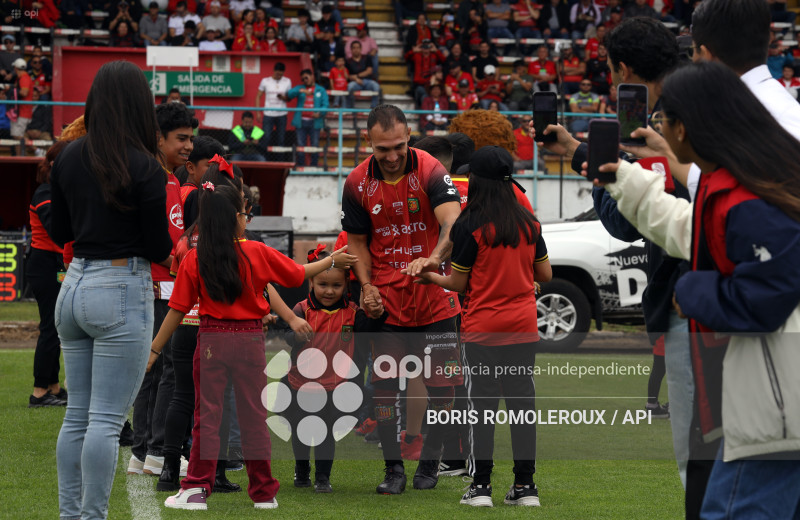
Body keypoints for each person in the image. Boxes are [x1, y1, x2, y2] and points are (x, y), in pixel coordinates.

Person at [588, 59, 800, 520]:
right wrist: (623, 177)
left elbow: (765, 297)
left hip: (775, 415)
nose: (659, 130)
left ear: (684, 127)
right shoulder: (744, 180)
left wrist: (693, 289)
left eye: (664, 119)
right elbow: (688, 228)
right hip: (767, 408)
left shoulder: (749, 195)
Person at [153, 183, 357, 510]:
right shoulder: (257, 251)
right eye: (244, 212)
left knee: (207, 417)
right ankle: (264, 493)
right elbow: (297, 275)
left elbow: (177, 309)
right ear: (236, 217)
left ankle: (196, 489)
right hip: (250, 339)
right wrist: (332, 259)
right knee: (253, 416)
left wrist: (153, 350)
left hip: (212, 340)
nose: (247, 217)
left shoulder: (195, 256)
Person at [50, 60, 173, 520]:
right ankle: (91, 516)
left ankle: (71, 514)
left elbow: (60, 230)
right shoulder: (146, 166)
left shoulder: (68, 156)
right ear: (140, 104)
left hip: (74, 283)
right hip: (120, 285)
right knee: (105, 420)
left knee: (77, 417)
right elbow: (158, 247)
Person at [403, 145, 551, 507]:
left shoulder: (470, 225)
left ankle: (481, 486)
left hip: (482, 330)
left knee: (481, 408)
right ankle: (525, 487)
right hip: (523, 329)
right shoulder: (529, 224)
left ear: (478, 181)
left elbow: (457, 283)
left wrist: (430, 277)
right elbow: (545, 274)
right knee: (522, 407)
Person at [341, 104, 463, 494]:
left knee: (443, 388)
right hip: (388, 305)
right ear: (368, 141)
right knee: (384, 388)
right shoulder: (356, 182)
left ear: (409, 135)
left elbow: (452, 222)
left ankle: (430, 461)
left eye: (398, 146)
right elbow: (357, 243)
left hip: (435, 299)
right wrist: (366, 287)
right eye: (383, 149)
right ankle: (393, 470)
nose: (392, 156)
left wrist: (435, 258)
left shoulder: (431, 170)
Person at [282, 247, 387, 493]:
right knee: (301, 429)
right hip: (301, 384)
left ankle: (322, 478)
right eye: (323, 284)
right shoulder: (301, 309)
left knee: (326, 431)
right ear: (311, 282)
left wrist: (378, 313)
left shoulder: (352, 313)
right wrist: (296, 336)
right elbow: (287, 335)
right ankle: (301, 469)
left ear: (346, 285)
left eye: (336, 285)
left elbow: (370, 329)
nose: (329, 291)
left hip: (335, 385)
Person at [128, 102, 196, 478]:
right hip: (157, 285)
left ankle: (141, 452)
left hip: (166, 283)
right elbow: (151, 238)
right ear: (158, 137)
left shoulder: (169, 178)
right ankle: (156, 449)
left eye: (191, 139)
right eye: (181, 138)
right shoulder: (152, 176)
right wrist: (178, 264)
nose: (188, 146)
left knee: (153, 370)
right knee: (168, 368)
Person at [27, 141, 68, 408]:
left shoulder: (55, 191)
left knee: (57, 327)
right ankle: (40, 391)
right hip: (45, 265)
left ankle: (53, 386)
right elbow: (57, 231)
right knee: (50, 327)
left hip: (55, 265)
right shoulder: (45, 192)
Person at [281, 69, 329, 167]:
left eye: (306, 77)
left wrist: (319, 113)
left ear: (312, 76)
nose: (305, 80)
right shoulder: (300, 88)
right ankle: (301, 165)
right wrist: (300, 91)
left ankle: (314, 166)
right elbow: (289, 94)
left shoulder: (320, 90)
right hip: (301, 121)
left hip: (315, 122)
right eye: (303, 79)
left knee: (314, 144)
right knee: (300, 145)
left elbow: (326, 105)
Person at [181, 135, 225, 227]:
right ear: (191, 167)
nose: (217, 171)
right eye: (211, 166)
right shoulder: (195, 195)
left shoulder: (181, 191)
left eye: (219, 167)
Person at [256, 62, 291, 157]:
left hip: (282, 114)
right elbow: (258, 96)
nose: (279, 76)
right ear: (274, 71)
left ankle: (280, 161)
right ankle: (264, 159)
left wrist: (283, 97)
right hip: (268, 114)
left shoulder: (287, 81)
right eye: (277, 74)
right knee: (266, 138)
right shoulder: (265, 81)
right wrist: (258, 112)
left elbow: (289, 98)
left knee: (281, 139)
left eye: (281, 74)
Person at [345, 41, 381, 109]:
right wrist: (356, 79)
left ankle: (374, 108)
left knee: (376, 86)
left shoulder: (367, 58)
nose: (356, 50)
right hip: (355, 82)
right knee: (350, 87)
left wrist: (357, 76)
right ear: (351, 49)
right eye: (354, 48)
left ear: (361, 49)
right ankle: (350, 109)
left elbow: (369, 71)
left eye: (358, 48)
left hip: (367, 81)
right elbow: (347, 75)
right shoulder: (348, 61)